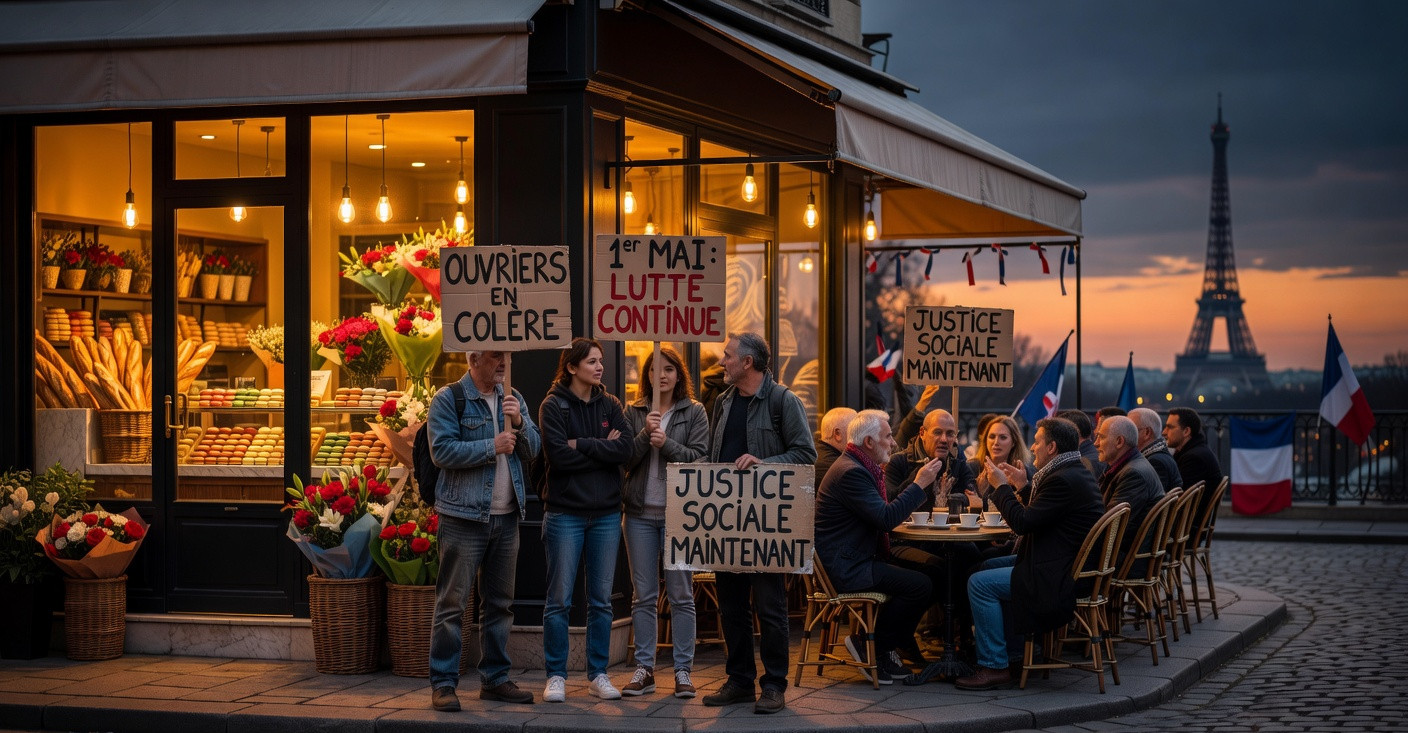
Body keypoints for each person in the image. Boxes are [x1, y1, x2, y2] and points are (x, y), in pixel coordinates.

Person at [700, 332, 816, 715]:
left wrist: (765, 464)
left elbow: (805, 454)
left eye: (728, 356)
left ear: (748, 362)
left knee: (770, 606)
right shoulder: (722, 401)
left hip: (766, 523)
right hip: (728, 521)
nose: (722, 362)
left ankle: (774, 685)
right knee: (731, 606)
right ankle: (739, 680)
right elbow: (716, 458)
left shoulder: (784, 401)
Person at [427, 350, 542, 711]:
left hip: (507, 516)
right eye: (495, 357)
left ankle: (494, 678)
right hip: (463, 517)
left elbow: (534, 449)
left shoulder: (514, 397)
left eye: (505, 356)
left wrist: (519, 423)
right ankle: (444, 683)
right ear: (473, 359)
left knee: (499, 604)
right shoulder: (450, 398)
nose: (503, 363)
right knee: (452, 603)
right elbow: (441, 451)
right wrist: (490, 446)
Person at [954, 417, 1105, 690]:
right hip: (1058, 562)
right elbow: (1039, 517)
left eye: (1037, 442)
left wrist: (1001, 487)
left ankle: (993, 665)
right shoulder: (1073, 471)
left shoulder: (1062, 479)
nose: (1033, 447)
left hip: (1056, 576)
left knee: (978, 585)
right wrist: (1023, 487)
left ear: (1052, 447)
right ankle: (1010, 652)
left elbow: (1023, 523)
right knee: (982, 567)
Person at [815, 410, 945, 685]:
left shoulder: (857, 465)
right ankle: (873, 645)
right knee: (919, 585)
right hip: (848, 566)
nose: (894, 443)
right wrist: (920, 483)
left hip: (857, 556)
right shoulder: (851, 472)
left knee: (934, 571)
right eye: (888, 436)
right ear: (870, 443)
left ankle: (888, 644)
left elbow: (882, 514)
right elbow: (886, 518)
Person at [538, 337, 635, 703]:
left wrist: (584, 444)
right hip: (565, 514)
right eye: (592, 361)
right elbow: (559, 459)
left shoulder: (610, 403)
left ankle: (598, 674)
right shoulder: (553, 405)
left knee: (601, 601)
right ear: (572, 367)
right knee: (559, 600)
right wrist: (601, 447)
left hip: (607, 515)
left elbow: (624, 449)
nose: (599, 367)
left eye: (600, 361)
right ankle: (556, 676)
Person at [619, 346, 710, 699]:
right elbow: (624, 459)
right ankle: (644, 669)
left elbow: (700, 460)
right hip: (639, 514)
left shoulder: (695, 411)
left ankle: (683, 671)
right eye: (655, 368)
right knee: (643, 596)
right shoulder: (635, 409)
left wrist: (667, 443)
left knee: (681, 595)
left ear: (678, 374)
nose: (662, 375)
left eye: (669, 368)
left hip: (680, 515)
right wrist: (644, 435)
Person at [1094, 415, 1164, 565]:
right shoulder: (1130, 466)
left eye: (1101, 437)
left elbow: (1112, 526)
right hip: (1128, 552)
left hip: (1127, 560)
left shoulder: (1133, 473)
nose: (1096, 443)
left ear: (1119, 442)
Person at [1164, 407, 1224, 525]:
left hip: (1184, 532)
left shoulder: (1194, 459)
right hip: (1186, 528)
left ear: (1186, 431)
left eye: (1170, 427)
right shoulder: (1195, 451)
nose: (1164, 432)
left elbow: (1179, 500)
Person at [967, 416, 1033, 503]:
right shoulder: (972, 468)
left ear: (1013, 442)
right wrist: (979, 492)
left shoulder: (1022, 471)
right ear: (985, 440)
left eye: (1003, 437)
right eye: (992, 437)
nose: (996, 442)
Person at [1129, 407, 1182, 492]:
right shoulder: (1159, 455)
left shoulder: (1155, 462)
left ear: (1147, 433)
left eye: (1131, 430)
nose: (1125, 435)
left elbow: (1149, 502)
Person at [1057, 409, 1106, 482]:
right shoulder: (1098, 456)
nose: (1057, 440)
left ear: (1074, 432)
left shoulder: (1083, 464)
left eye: (1059, 434)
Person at [814, 407, 858, 479]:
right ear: (837, 434)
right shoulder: (841, 469)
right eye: (856, 432)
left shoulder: (814, 453)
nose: (860, 438)